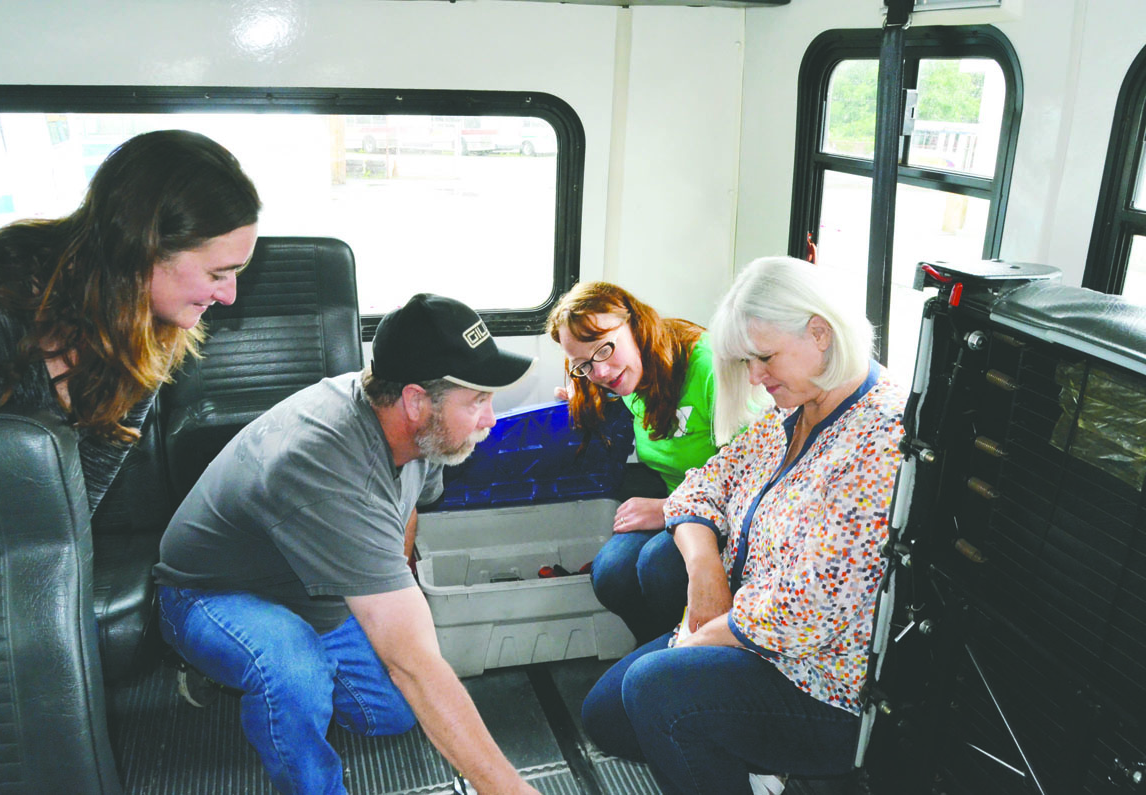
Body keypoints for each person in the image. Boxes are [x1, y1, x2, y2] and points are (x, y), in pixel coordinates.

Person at [154, 293, 541, 795]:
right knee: (294, 670)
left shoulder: (416, 432)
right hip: (210, 594)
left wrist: (386, 597)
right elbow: (414, 666)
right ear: (415, 400)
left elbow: (407, 511)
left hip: (315, 592)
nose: (490, 419)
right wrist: (509, 790)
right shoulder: (329, 466)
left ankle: (286, 673)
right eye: (477, 402)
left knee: (397, 713)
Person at [580, 256, 906, 794]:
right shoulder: (795, 413)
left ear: (819, 333)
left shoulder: (877, 439)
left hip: (821, 682)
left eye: (765, 357)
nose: (755, 376)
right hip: (755, 634)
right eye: (747, 361)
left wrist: (703, 638)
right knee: (606, 718)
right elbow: (700, 485)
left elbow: (809, 609)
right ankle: (747, 759)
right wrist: (705, 569)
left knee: (654, 693)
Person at [0, 129, 260, 513]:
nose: (229, 296)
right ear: (142, 249)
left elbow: (79, 508)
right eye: (217, 274)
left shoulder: (144, 332)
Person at [546, 282, 719, 645]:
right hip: (680, 504)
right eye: (584, 365)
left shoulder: (708, 366)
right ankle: (659, 649)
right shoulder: (628, 381)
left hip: (726, 514)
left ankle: (684, 658)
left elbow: (758, 473)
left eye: (605, 349)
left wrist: (668, 509)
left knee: (656, 566)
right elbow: (602, 377)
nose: (603, 372)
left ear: (636, 325)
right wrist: (587, 392)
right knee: (610, 574)